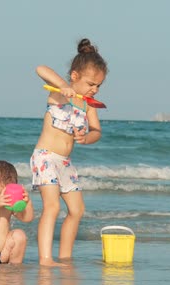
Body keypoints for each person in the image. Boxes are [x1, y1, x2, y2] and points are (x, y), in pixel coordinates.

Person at [31, 38, 108, 266]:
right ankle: (45, 258)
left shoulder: (87, 104)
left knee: (77, 210)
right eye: (91, 84)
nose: (94, 89)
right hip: (45, 156)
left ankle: (65, 256)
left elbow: (97, 131)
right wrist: (62, 85)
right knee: (52, 206)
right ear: (74, 76)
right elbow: (40, 69)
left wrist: (86, 138)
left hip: (65, 161)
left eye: (98, 86)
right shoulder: (58, 93)